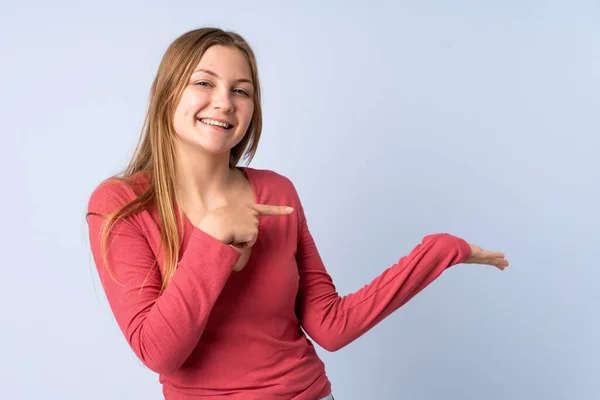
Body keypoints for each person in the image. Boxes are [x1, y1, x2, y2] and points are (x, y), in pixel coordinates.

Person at [86, 27, 509, 400]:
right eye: (204, 82)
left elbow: (330, 325)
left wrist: (436, 252)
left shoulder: (276, 192)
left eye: (241, 90)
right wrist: (213, 240)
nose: (224, 102)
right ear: (167, 93)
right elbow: (158, 352)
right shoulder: (120, 205)